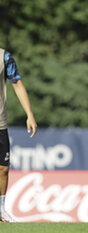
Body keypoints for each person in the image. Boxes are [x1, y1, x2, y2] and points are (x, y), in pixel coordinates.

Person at [0, 48, 37, 222]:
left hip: (0, 123)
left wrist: (29, 114)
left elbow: (17, 84)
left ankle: (0, 210)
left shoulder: (4, 57)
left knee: (3, 168)